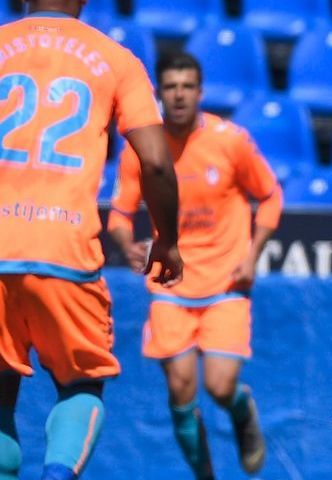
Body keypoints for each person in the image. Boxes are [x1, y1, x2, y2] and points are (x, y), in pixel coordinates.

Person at [0, 1, 184, 479]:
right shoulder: (117, 59)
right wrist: (167, 239)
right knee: (81, 388)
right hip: (65, 253)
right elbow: (156, 162)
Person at [108, 52, 283, 478]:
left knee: (219, 386)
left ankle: (242, 412)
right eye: (171, 87)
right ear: (159, 94)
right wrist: (127, 245)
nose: (179, 95)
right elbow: (119, 214)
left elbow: (270, 196)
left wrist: (252, 256)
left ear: (200, 92)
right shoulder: (143, 148)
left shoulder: (230, 141)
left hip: (226, 280)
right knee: (180, 387)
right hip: (171, 282)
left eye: (187, 86)